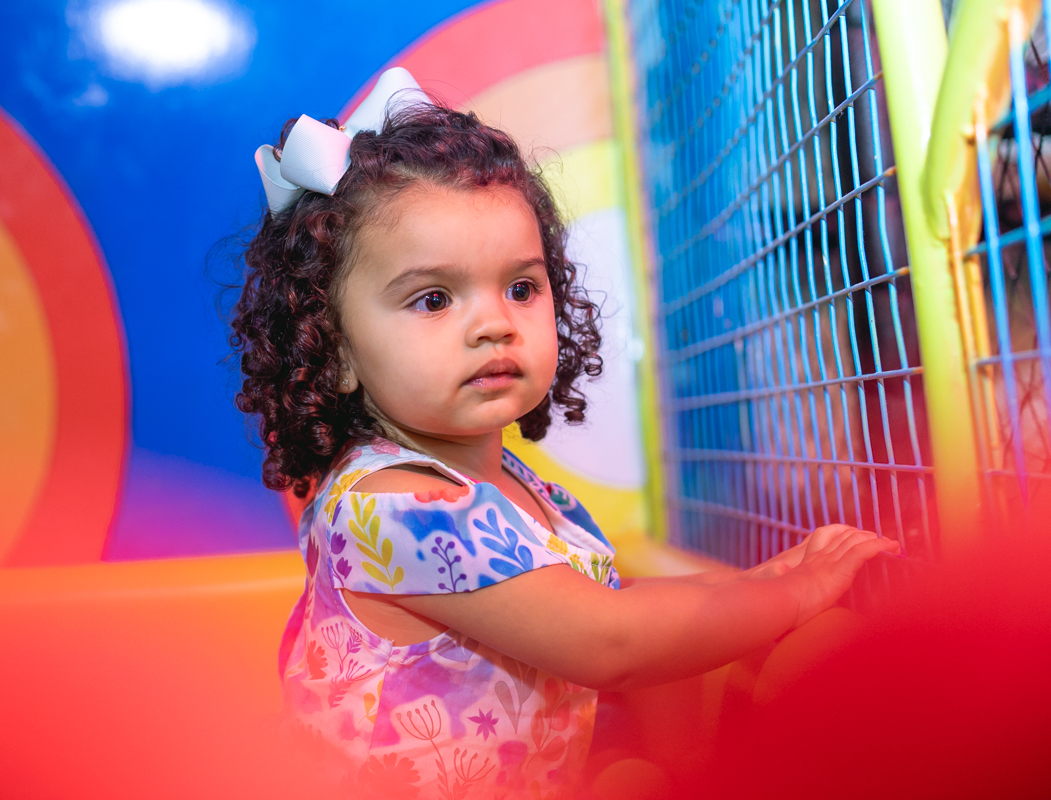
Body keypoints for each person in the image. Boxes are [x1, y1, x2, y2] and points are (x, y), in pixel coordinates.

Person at [229, 68, 898, 800]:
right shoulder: (392, 509)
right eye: (433, 298)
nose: (494, 323)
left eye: (522, 287)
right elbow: (610, 640)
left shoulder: (520, 492)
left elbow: (597, 603)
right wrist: (797, 595)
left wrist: (751, 585)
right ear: (339, 349)